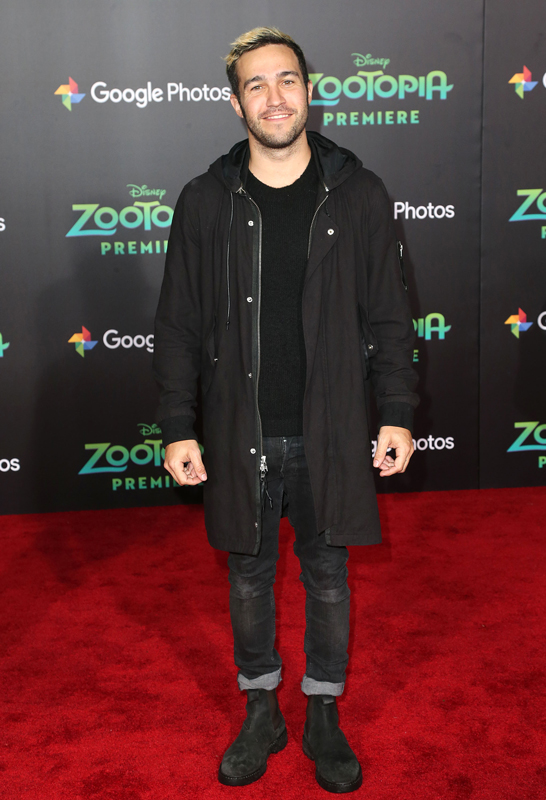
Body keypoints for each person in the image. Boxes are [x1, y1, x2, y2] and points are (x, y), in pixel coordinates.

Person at [153, 26, 418, 794]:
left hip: (330, 428)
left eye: (288, 80)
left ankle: (323, 713)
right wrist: (177, 426)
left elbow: (389, 315)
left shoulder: (359, 193)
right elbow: (178, 325)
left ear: (310, 89)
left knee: (328, 577)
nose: (275, 97)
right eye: (257, 84)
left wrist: (397, 411)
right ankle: (262, 708)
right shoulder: (205, 200)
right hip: (241, 429)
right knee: (248, 578)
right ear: (236, 104)